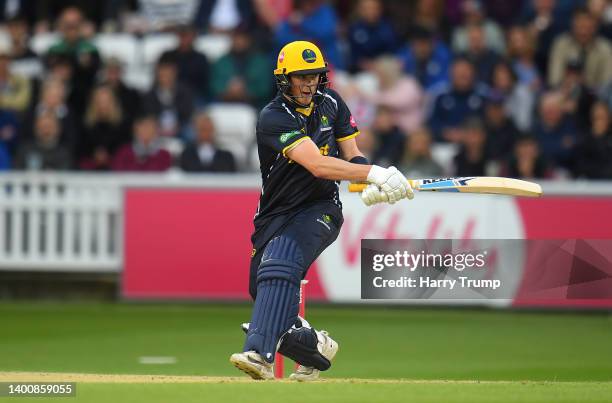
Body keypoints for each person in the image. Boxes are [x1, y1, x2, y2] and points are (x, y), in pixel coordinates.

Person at [229, 40, 413, 381]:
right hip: (275, 214)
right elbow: (316, 163)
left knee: (281, 263)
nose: (309, 84)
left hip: (321, 207)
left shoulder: (331, 103)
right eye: (301, 77)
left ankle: (259, 354)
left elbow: (351, 154)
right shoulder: (273, 117)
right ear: (284, 79)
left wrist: (369, 182)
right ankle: (315, 347)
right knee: (266, 290)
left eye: (314, 76)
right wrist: (374, 173)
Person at [548, 7, 612, 89]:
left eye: (587, 28)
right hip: (563, 92)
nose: (583, 32)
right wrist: (567, 82)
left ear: (595, 28)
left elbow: (607, 84)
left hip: (594, 97)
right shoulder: (561, 44)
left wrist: (585, 84)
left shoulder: (605, 49)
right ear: (573, 26)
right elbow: (554, 79)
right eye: (580, 27)